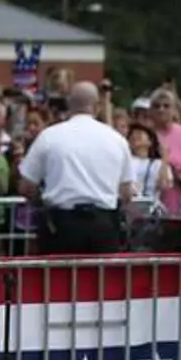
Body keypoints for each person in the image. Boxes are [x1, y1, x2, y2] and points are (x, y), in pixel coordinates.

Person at [18, 82, 129, 254]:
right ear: (97, 106)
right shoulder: (117, 140)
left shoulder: (49, 136)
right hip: (104, 224)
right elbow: (127, 191)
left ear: (69, 104)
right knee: (101, 279)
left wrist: (40, 199)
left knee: (59, 279)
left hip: (61, 224)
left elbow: (26, 186)